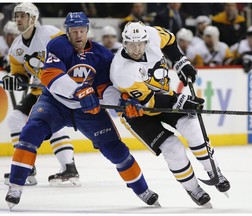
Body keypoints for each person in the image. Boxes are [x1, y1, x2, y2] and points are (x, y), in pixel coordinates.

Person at [4, 11, 159, 209]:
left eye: (81, 31)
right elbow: (50, 75)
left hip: (87, 110)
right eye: (74, 31)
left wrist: (122, 101)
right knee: (30, 133)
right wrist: (80, 91)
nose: (78, 35)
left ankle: (143, 190)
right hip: (55, 103)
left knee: (116, 150)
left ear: (88, 31)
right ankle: (16, 186)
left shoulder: (102, 55)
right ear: (67, 32)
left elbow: (105, 88)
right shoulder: (57, 45)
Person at [110, 21, 230, 208]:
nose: (136, 49)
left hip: (164, 96)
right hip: (137, 113)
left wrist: (181, 62)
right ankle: (193, 188)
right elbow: (150, 102)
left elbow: (170, 40)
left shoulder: (152, 34)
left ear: (146, 41)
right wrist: (182, 101)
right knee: (172, 147)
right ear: (124, 43)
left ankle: (214, 171)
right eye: (131, 45)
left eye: (140, 44)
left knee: (192, 128)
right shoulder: (122, 71)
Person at [1, 3, 80, 186]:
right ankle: (27, 167)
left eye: (22, 15)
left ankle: (69, 168)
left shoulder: (50, 33)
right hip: (40, 91)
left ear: (33, 18)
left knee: (50, 118)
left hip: (60, 88)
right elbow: (19, 73)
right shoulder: (17, 46)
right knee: (15, 119)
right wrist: (15, 79)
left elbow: (72, 56)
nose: (18, 19)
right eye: (17, 16)